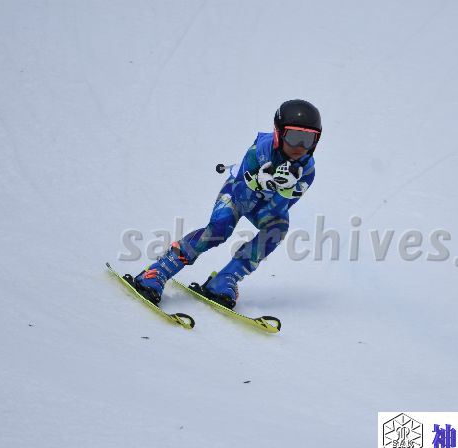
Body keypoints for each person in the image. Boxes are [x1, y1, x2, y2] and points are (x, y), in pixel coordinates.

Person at [132, 99, 321, 309]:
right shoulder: (261, 150)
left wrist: (282, 191)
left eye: (308, 139)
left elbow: (279, 210)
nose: (300, 147)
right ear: (278, 134)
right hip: (237, 193)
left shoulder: (308, 171)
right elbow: (240, 194)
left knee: (278, 228)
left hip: (263, 205)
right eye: (294, 137)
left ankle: (226, 278)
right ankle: (159, 269)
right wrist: (262, 184)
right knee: (219, 229)